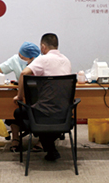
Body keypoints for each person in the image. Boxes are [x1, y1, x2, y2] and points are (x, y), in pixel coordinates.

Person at [10, 33, 71, 162]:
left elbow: (23, 73)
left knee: (19, 113)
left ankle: (45, 143)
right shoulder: (66, 60)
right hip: (64, 113)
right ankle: (49, 146)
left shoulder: (43, 59)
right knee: (43, 116)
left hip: (44, 112)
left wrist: (19, 96)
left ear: (43, 47)